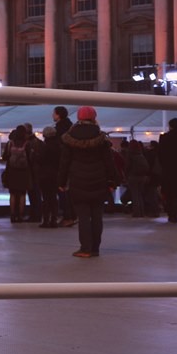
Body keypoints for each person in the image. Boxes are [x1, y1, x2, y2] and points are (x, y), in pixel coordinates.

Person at [58, 106, 118, 258]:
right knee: (97, 216)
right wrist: (113, 181)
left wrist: (61, 181)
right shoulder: (101, 137)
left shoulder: (69, 137)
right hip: (99, 181)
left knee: (83, 216)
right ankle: (95, 248)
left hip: (78, 181)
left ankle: (85, 248)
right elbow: (109, 162)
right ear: (93, 118)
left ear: (78, 118)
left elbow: (64, 162)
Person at [2, 125, 32, 223]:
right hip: (24, 171)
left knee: (13, 194)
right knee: (22, 194)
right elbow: (30, 158)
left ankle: (12, 215)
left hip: (12, 171)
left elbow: (5, 157)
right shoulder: (27, 143)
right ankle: (20, 215)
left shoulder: (10, 143)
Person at [53, 106, 77, 227]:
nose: (52, 116)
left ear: (58, 115)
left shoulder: (60, 129)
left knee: (63, 191)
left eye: (54, 114)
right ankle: (72, 215)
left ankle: (68, 216)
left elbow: (59, 148)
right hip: (72, 165)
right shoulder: (71, 127)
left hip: (62, 164)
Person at [35, 126, 62, 228]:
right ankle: (54, 219)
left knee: (46, 198)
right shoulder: (59, 146)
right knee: (54, 197)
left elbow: (40, 160)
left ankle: (46, 219)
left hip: (45, 175)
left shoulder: (44, 146)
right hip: (56, 174)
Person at [123, 140, 151, 218]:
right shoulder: (140, 153)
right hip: (142, 177)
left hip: (133, 176)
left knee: (135, 195)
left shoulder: (130, 154)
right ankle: (142, 212)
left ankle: (137, 212)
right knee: (140, 195)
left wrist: (126, 175)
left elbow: (128, 166)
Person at [22, 123, 44, 222]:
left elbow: (30, 158)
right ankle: (37, 214)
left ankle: (35, 215)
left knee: (33, 194)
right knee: (36, 194)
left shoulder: (29, 143)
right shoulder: (39, 142)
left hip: (32, 172)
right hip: (38, 171)